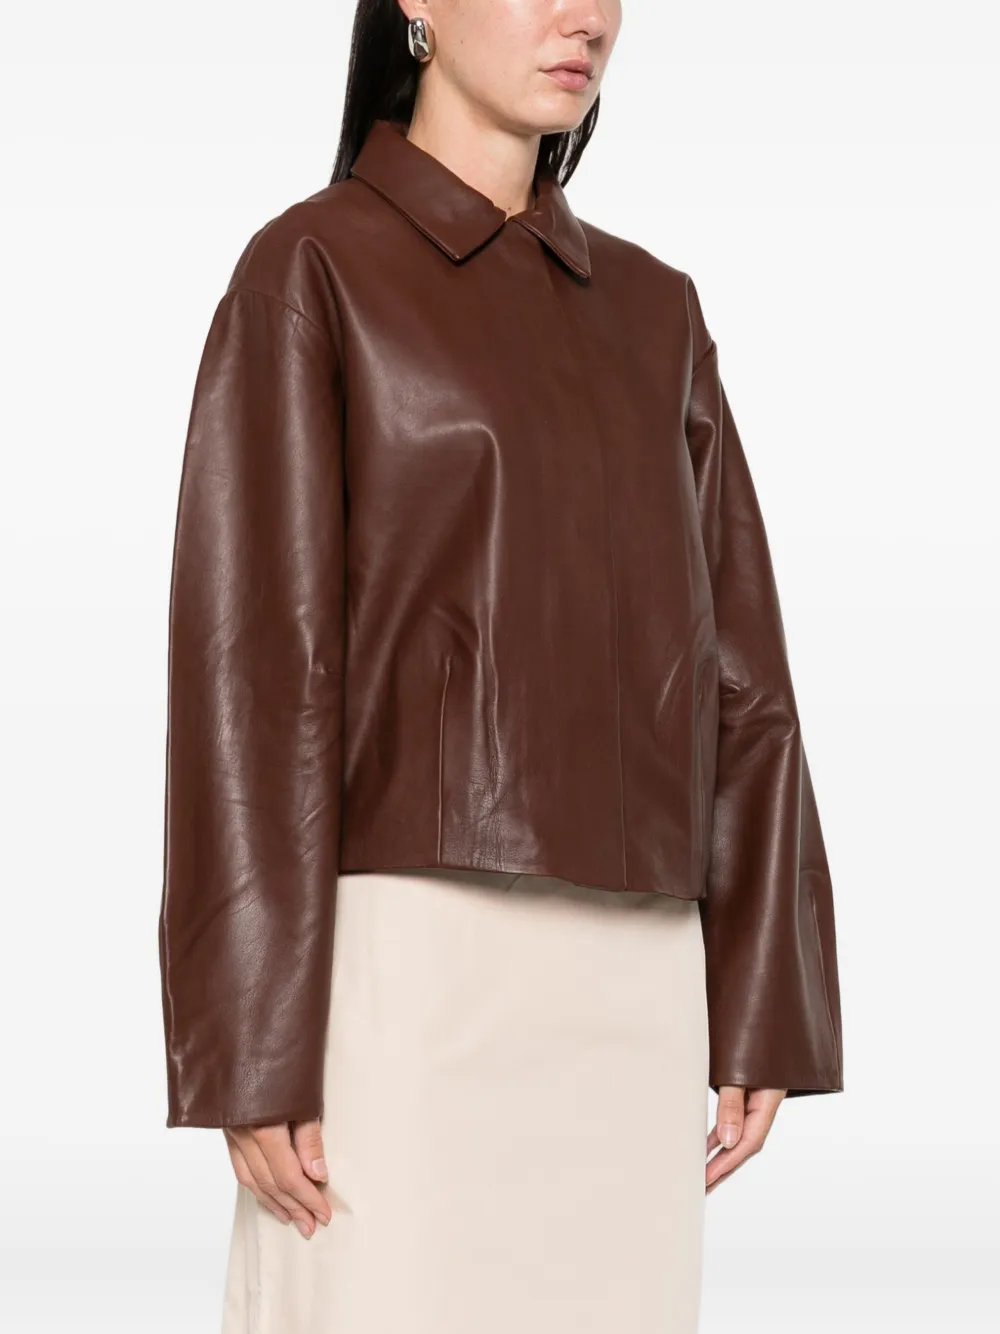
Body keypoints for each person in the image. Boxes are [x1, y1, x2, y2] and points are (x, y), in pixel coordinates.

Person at [157, 1, 844, 1331]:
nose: (587, 17)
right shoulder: (312, 270)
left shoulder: (656, 312)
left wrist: (767, 996)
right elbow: (253, 672)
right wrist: (250, 1032)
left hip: (639, 985)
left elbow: (743, 675)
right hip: (404, 981)